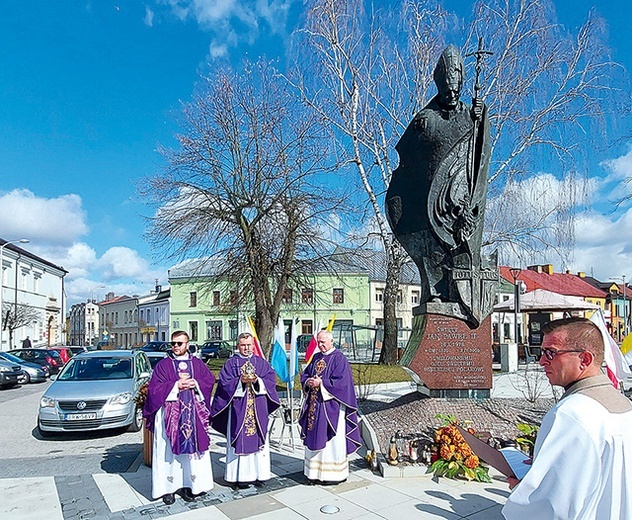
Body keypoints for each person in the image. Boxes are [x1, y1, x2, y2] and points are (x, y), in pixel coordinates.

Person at [385, 44, 495, 327]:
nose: (452, 96)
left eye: (456, 91)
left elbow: (480, 156)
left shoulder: (472, 115)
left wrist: (482, 123)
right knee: (431, 249)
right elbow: (408, 155)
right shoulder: (426, 117)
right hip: (429, 201)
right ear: (439, 84)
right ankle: (435, 292)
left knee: (458, 246)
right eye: (447, 91)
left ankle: (459, 294)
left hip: (462, 201)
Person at [503, 317, 632, 519]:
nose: (542, 361)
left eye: (551, 353)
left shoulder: (570, 413)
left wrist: (522, 490)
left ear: (585, 360)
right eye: (542, 352)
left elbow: (553, 506)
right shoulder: (625, 404)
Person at [143, 330, 215, 505]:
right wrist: (176, 385)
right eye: (173, 343)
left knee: (192, 452)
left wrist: (195, 384)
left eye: (179, 343)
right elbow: (154, 389)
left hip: (193, 415)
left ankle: (190, 485)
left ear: (187, 344)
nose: (175, 346)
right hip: (170, 416)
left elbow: (209, 381)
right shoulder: (163, 365)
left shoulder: (197, 364)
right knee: (167, 452)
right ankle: (168, 489)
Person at [210, 332, 280, 489]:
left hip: (258, 409)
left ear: (253, 345)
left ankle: (259, 475)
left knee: (259, 440)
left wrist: (257, 381)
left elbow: (270, 381)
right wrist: (240, 382)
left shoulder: (261, 363)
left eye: (249, 344)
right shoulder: (231, 363)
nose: (246, 348)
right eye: (243, 345)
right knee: (238, 440)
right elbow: (223, 384)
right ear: (238, 346)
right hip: (238, 410)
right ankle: (238, 477)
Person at [298, 330, 362, 484]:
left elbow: (343, 384)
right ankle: (313, 473)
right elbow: (305, 375)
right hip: (314, 405)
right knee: (314, 437)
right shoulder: (316, 357)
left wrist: (322, 384)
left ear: (331, 341)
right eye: (318, 342)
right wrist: (308, 382)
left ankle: (332, 475)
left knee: (331, 442)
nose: (320, 345)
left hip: (331, 407)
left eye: (323, 342)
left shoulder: (339, 359)